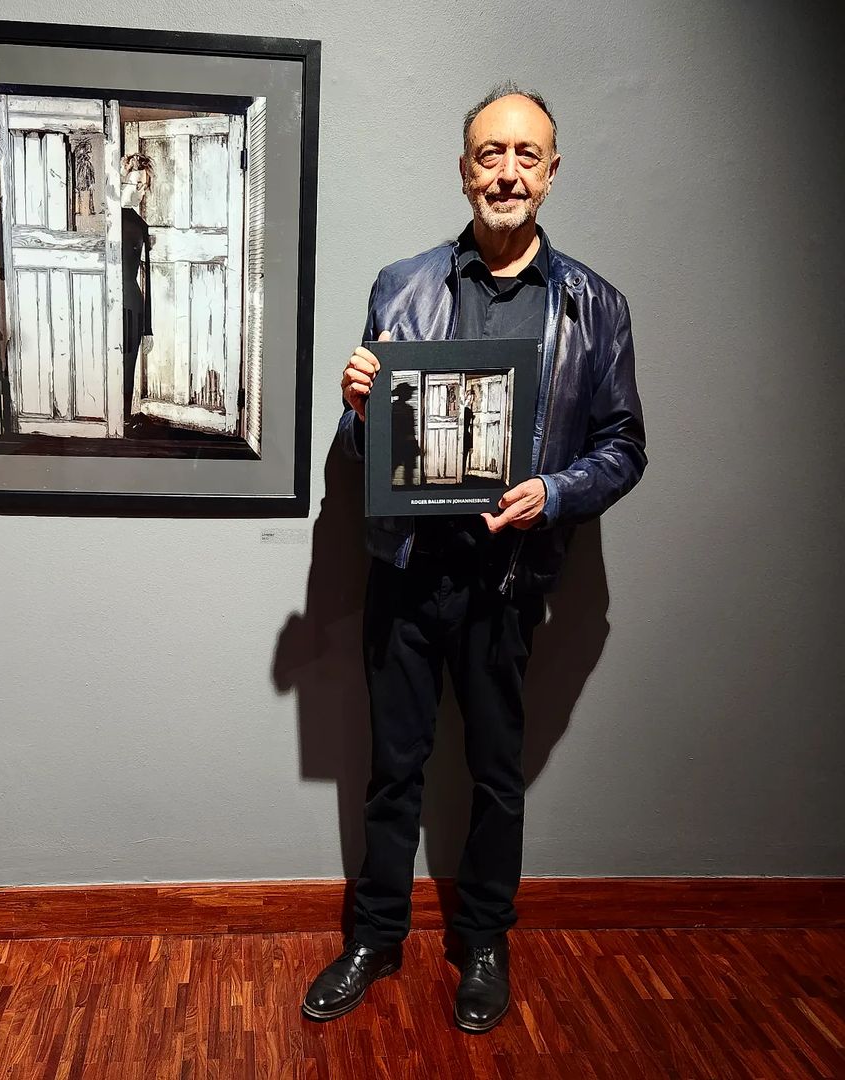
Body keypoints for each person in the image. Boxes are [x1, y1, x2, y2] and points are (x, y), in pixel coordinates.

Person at [301, 82, 647, 1035]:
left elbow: (624, 445)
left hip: (509, 581)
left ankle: (484, 943)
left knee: (497, 777)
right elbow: (359, 453)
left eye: (525, 155)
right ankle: (375, 938)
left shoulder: (595, 307)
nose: (506, 172)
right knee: (391, 770)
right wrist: (359, 410)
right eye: (490, 154)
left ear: (551, 172)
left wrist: (557, 494)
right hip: (408, 571)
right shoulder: (402, 285)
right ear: (464, 171)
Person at [119, 152, 155, 430]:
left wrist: (148, 327)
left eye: (144, 186)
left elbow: (148, 277)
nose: (141, 192)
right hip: (108, 299)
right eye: (136, 184)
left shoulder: (140, 224)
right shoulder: (108, 218)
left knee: (129, 361)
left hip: (132, 301)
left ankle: (124, 418)